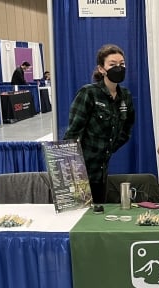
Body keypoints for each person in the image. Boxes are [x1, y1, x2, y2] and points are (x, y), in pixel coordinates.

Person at [64, 44, 135, 204]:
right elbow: (72, 133)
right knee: (78, 216)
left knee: (98, 212)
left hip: (102, 171)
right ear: (101, 69)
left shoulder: (126, 96)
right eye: (112, 64)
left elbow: (127, 128)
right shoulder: (88, 93)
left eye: (122, 64)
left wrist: (108, 148)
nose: (118, 68)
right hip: (80, 172)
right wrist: (72, 171)